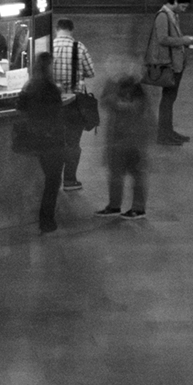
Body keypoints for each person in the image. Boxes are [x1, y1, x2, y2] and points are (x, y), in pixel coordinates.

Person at [31, 24, 95, 197]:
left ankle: (52, 178)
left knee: (56, 141)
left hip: (53, 102)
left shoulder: (48, 48)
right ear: (71, 30)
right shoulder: (79, 47)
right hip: (75, 101)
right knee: (74, 143)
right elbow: (90, 72)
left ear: (57, 29)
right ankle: (70, 179)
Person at [11, 54, 67, 234]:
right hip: (51, 140)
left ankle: (45, 220)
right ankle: (47, 220)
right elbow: (56, 114)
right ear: (48, 67)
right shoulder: (50, 89)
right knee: (53, 181)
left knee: (46, 179)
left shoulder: (29, 86)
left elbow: (20, 109)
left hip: (35, 140)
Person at [95, 65, 151, 219]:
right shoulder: (129, 96)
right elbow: (105, 101)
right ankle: (121, 206)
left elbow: (108, 101)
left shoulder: (133, 99)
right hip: (124, 142)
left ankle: (131, 207)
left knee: (131, 174)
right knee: (120, 174)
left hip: (129, 143)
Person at [145, 0, 193, 144]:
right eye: (183, 7)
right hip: (169, 65)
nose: (184, 10)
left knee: (170, 100)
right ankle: (163, 135)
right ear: (175, 2)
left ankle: (168, 132)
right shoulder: (162, 16)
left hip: (175, 64)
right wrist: (184, 40)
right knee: (167, 100)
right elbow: (163, 39)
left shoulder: (172, 15)